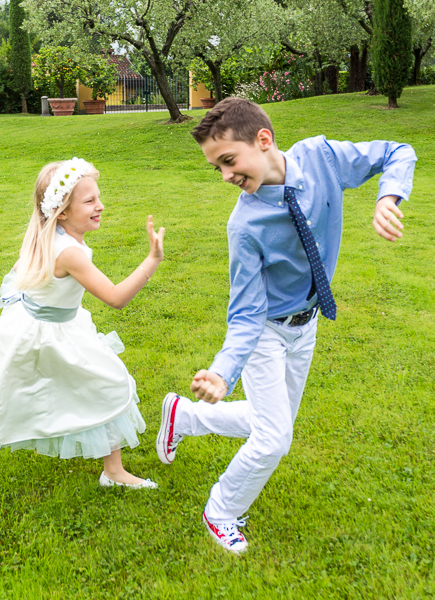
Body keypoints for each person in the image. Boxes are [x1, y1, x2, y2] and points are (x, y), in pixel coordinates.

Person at [156, 98, 417, 553]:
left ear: (263, 140)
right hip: (266, 335)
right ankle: (220, 509)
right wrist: (223, 370)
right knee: (274, 439)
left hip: (307, 324)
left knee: (270, 422)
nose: (225, 176)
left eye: (228, 161)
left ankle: (186, 417)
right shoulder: (245, 225)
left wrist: (387, 197)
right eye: (216, 168)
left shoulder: (322, 158)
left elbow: (398, 151)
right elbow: (245, 311)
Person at [0, 158, 165, 489]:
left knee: (105, 383)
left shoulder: (52, 233)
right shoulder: (68, 252)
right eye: (89, 201)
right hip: (36, 335)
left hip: (59, 325)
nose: (100, 206)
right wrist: (152, 260)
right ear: (61, 211)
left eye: (98, 197)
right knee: (1, 398)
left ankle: (113, 470)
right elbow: (116, 298)